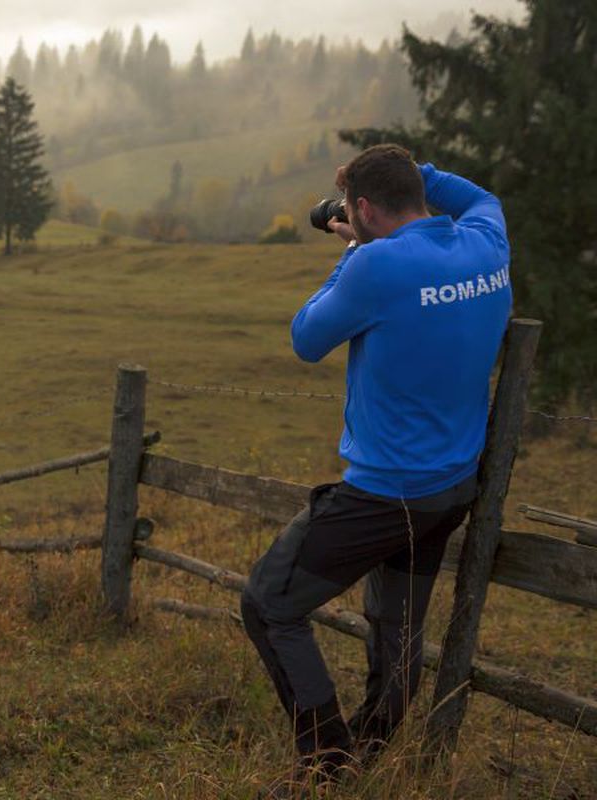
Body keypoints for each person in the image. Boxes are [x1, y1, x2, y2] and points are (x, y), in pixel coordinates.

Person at [239, 144, 512, 792]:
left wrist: (355, 251)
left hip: (385, 495)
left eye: (354, 214)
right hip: (451, 491)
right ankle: (368, 752)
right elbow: (476, 197)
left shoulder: (374, 264)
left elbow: (306, 339)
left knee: (268, 604)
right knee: (396, 632)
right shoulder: (485, 238)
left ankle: (325, 761)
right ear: (420, 191)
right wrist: (416, 175)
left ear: (360, 209)